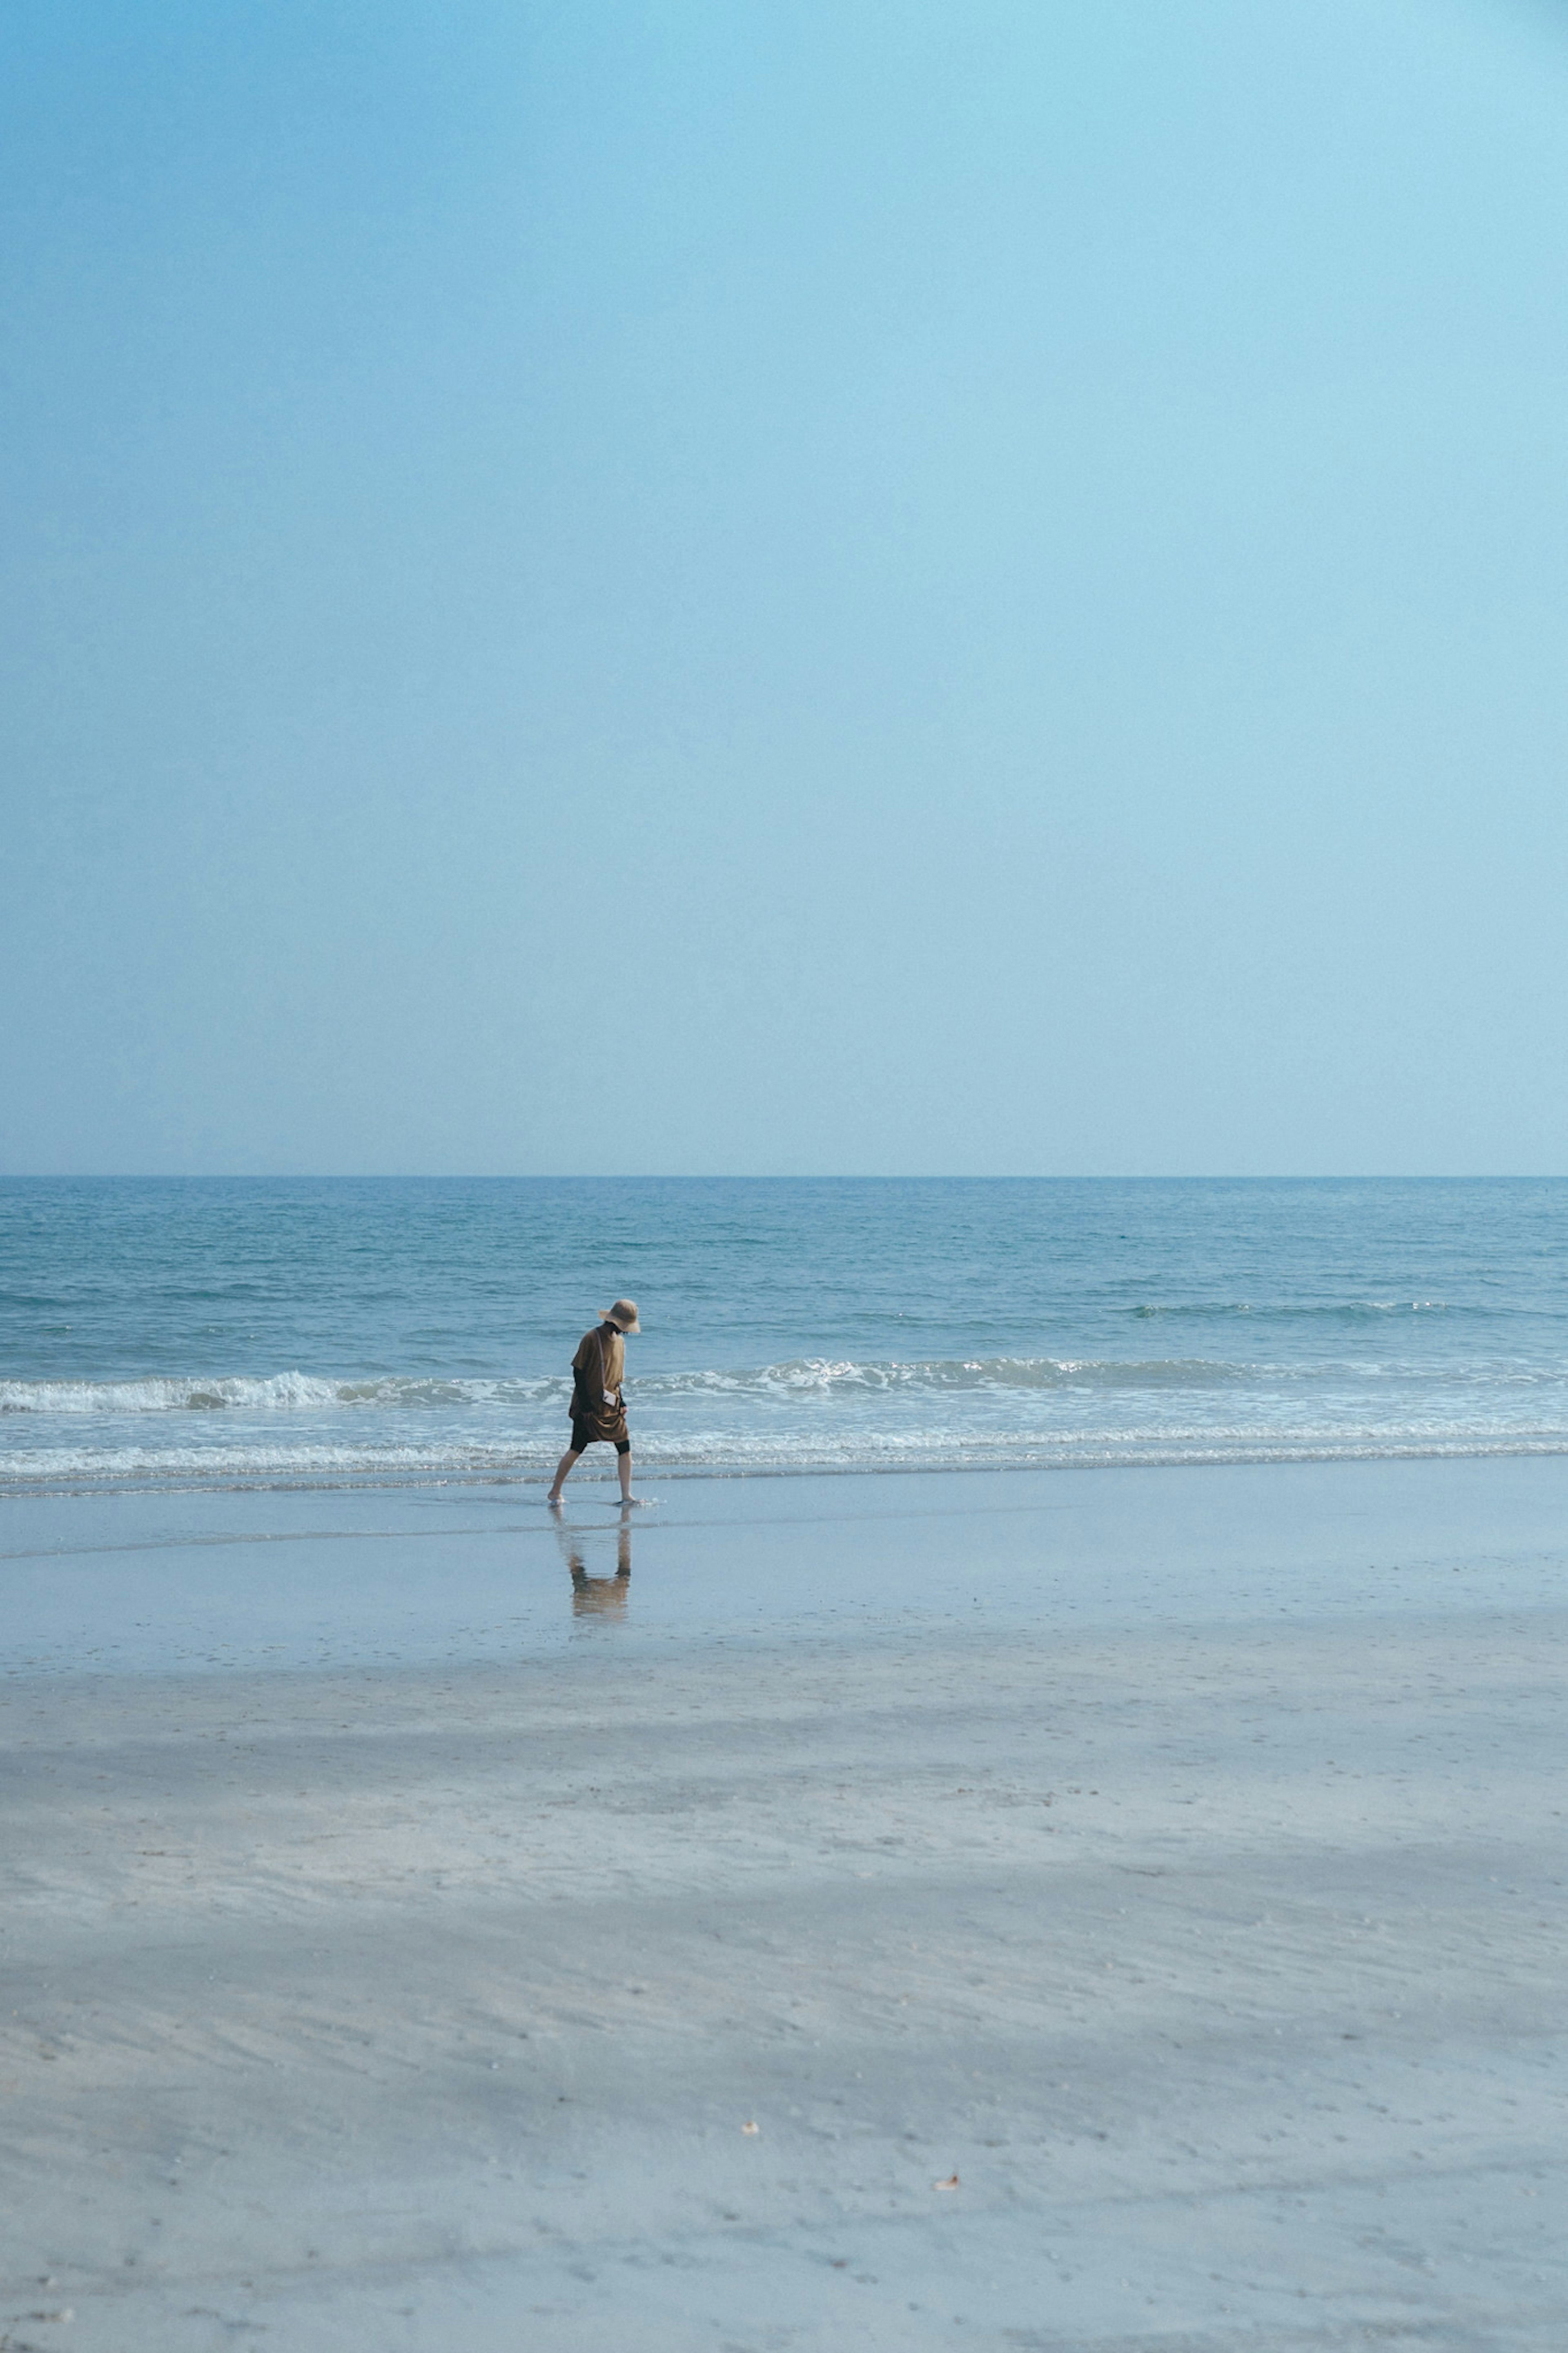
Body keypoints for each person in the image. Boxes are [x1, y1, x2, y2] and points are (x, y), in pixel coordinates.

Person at [546, 1300, 641, 1505]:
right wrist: (587, 1406)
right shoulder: (592, 1338)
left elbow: (615, 1378)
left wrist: (622, 1402)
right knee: (577, 1447)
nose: (625, 1332)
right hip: (588, 1406)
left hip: (611, 1405)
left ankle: (627, 1496)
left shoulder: (621, 1343)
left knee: (624, 1446)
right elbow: (578, 1372)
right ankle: (555, 1491)